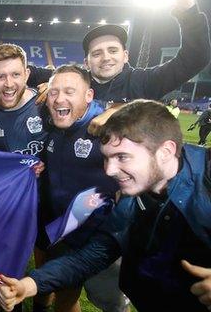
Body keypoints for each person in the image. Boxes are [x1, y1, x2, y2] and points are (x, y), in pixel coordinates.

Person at [0, 100, 211, 312]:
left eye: (122, 157)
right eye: (107, 158)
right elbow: (92, 256)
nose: (109, 170)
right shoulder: (131, 200)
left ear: (165, 151)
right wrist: (29, 284)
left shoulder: (206, 176)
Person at [40, 65, 128, 312]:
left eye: (70, 91)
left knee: (111, 304)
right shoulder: (53, 124)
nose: (59, 99)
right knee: (65, 297)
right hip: (65, 233)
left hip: (102, 240)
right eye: (53, 91)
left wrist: (119, 111)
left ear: (89, 96)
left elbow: (149, 114)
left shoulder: (108, 127)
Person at [28, 0, 210, 103]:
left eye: (113, 50)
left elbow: (194, 59)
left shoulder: (144, 81)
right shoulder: (72, 80)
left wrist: (189, 13)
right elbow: (23, 72)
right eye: (97, 53)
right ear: (87, 61)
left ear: (125, 55)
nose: (106, 57)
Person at [0, 44, 48, 156]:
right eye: (0, 77)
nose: (9, 84)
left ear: (26, 75)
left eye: (16, 74)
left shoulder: (48, 105)